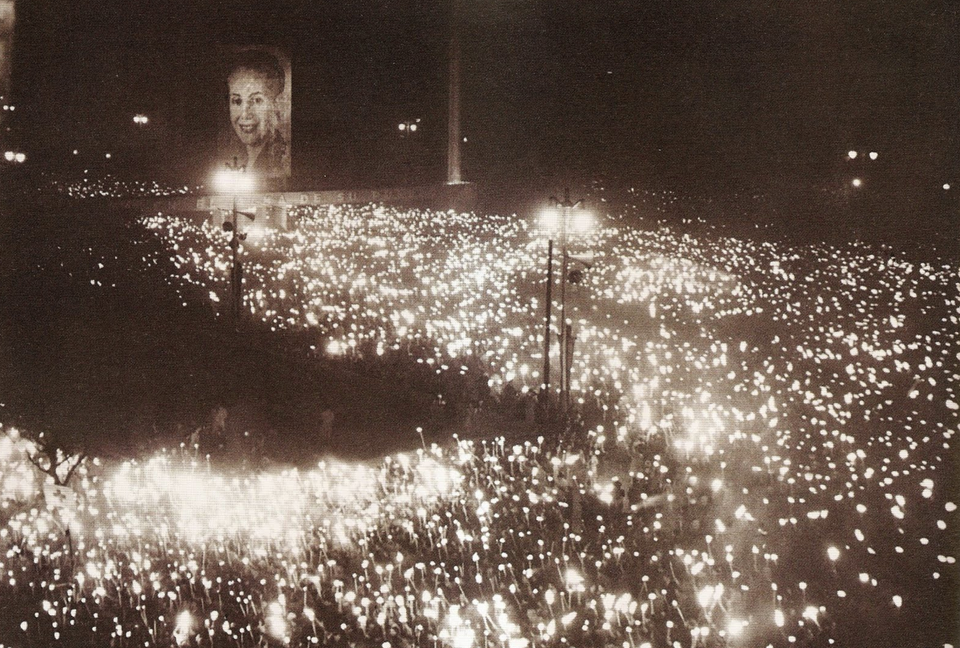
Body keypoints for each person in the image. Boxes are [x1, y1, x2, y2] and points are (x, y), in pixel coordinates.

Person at [224, 49, 289, 176]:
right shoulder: (239, 159)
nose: (245, 113)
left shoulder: (281, 159)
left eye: (256, 100)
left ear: (275, 104)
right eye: (237, 101)